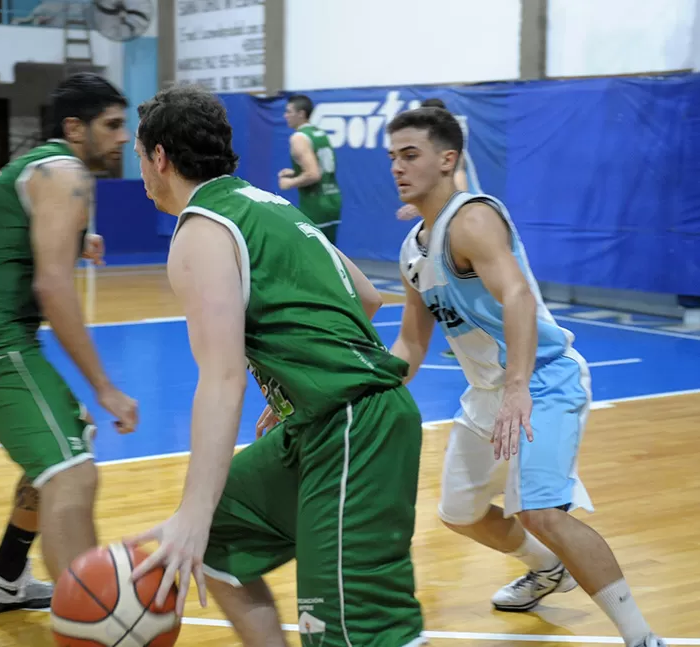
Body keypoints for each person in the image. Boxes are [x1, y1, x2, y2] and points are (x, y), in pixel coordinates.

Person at [127, 85, 426, 647]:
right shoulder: (269, 205)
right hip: (326, 419)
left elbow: (222, 378)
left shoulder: (200, 230)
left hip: (354, 427)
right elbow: (366, 297)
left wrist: (189, 512)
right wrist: (291, 386)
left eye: (140, 155)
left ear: (160, 157)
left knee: (355, 633)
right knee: (220, 534)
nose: (140, 168)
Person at [386, 106, 665, 647]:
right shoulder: (412, 250)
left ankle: (641, 637)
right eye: (393, 157)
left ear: (448, 160)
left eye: (410, 154)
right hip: (488, 393)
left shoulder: (472, 219)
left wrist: (518, 386)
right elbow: (412, 340)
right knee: (461, 515)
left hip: (541, 380)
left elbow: (516, 295)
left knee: (541, 510)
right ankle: (547, 569)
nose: (398, 167)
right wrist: (364, 392)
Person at [0, 72, 139, 615]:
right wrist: (105, 386)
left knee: (70, 436)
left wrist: (76, 239)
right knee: (73, 473)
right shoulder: (66, 172)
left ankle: (4, 578)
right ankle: (92, 623)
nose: (122, 137)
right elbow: (51, 286)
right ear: (75, 127)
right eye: (112, 125)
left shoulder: (37, 166)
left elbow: (12, 237)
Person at [278, 94, 342, 244]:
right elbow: (322, 168)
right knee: (330, 252)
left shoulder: (298, 138)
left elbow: (313, 174)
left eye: (288, 111)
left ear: (301, 114)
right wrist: (296, 172)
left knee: (312, 253)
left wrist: (290, 183)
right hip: (333, 198)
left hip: (316, 203)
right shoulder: (320, 134)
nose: (285, 115)